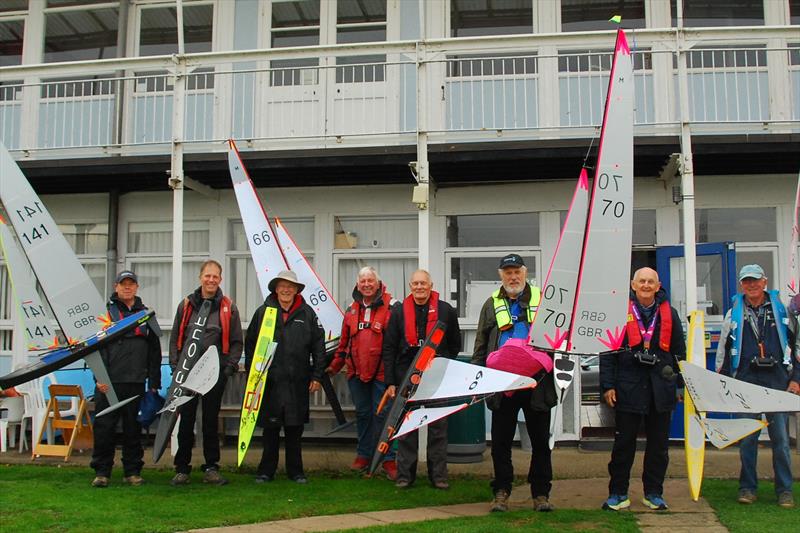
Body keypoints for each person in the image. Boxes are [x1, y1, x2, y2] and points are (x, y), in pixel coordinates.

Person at [470, 254, 555, 512]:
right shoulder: (490, 304)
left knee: (540, 442)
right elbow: (481, 343)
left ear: (525, 272)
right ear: (500, 275)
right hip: (503, 384)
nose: (513, 277)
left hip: (536, 383)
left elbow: (558, 337)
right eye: (507, 272)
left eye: (516, 271)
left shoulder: (543, 300)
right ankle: (502, 491)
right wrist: (477, 378)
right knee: (501, 442)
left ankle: (540, 494)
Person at [600, 267, 685, 511]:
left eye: (651, 282)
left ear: (658, 286)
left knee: (659, 448)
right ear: (633, 285)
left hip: (661, 390)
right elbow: (607, 353)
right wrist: (608, 386)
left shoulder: (672, 314)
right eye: (642, 281)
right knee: (623, 446)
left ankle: (654, 493)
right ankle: (617, 493)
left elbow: (680, 352)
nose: (646, 285)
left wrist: (679, 386)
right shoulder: (618, 313)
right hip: (628, 389)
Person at [715, 264, 799, 509]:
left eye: (755, 281)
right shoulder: (733, 314)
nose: (751, 285)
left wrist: (796, 379)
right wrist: (723, 381)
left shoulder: (783, 310)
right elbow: (721, 351)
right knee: (748, 440)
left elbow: (798, 348)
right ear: (741, 285)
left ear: (765, 282)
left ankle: (785, 490)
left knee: (781, 441)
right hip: (746, 384)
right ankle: (747, 488)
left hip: (777, 383)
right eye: (746, 281)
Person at [382, 269, 461, 489]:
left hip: (435, 376)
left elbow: (455, 343)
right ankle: (405, 476)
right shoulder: (398, 312)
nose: (419, 287)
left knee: (438, 426)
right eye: (415, 283)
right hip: (406, 377)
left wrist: (441, 365)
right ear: (410, 286)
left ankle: (439, 476)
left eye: (423, 283)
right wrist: (391, 381)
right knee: (406, 428)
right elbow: (389, 348)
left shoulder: (445, 310)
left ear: (430, 285)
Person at [245, 270, 326, 484]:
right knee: (270, 430)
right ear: (275, 289)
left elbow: (319, 347)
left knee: (294, 429)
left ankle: (296, 472)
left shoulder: (308, 313)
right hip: (269, 383)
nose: (286, 290)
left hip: (298, 383)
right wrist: (252, 377)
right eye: (282, 286)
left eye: (290, 286)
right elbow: (251, 345)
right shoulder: (263, 313)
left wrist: (317, 376)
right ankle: (265, 471)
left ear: (297, 290)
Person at [168, 260, 243, 486]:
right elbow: (174, 340)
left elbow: (238, 341)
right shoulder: (186, 305)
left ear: (220, 280)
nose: (211, 280)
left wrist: (228, 368)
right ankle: (182, 468)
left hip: (213, 376)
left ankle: (211, 468)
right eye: (207, 276)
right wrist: (176, 368)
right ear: (200, 277)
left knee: (210, 422)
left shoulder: (229, 307)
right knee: (186, 421)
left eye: (215, 276)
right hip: (188, 374)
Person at [90, 270, 162, 488]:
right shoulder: (104, 315)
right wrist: (98, 378)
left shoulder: (146, 315)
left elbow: (154, 352)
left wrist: (154, 383)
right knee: (104, 428)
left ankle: (132, 472)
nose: (127, 287)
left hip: (136, 382)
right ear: (116, 287)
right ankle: (102, 472)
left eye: (131, 284)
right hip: (108, 383)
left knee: (133, 429)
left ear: (137, 287)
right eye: (123, 284)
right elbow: (94, 349)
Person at [327, 266, 397, 479]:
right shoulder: (351, 310)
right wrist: (334, 367)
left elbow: (396, 344)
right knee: (363, 415)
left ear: (378, 283)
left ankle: (389, 459)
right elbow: (344, 343)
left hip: (383, 375)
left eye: (370, 281)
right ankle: (364, 455)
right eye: (363, 281)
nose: (367, 284)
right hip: (357, 375)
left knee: (383, 416)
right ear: (358, 284)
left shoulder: (393, 307)